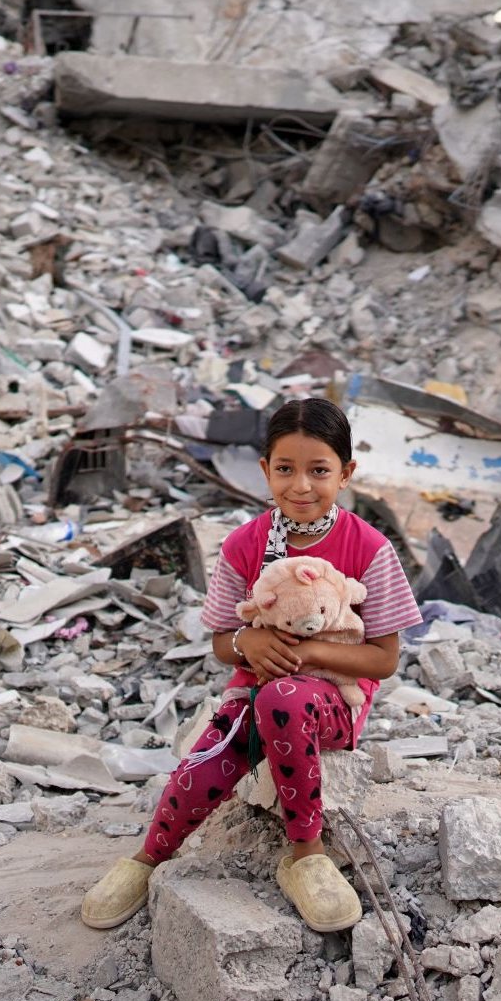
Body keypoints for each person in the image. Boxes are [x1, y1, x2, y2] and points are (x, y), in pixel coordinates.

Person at [80, 397, 421, 933]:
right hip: (255, 690)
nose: (301, 486)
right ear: (265, 470)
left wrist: (305, 654)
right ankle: (148, 857)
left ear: (347, 473)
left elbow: (383, 658)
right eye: (285, 469)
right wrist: (247, 641)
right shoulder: (246, 544)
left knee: (285, 698)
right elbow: (221, 640)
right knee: (209, 757)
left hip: (330, 701)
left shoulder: (370, 549)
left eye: (319, 471)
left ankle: (305, 856)